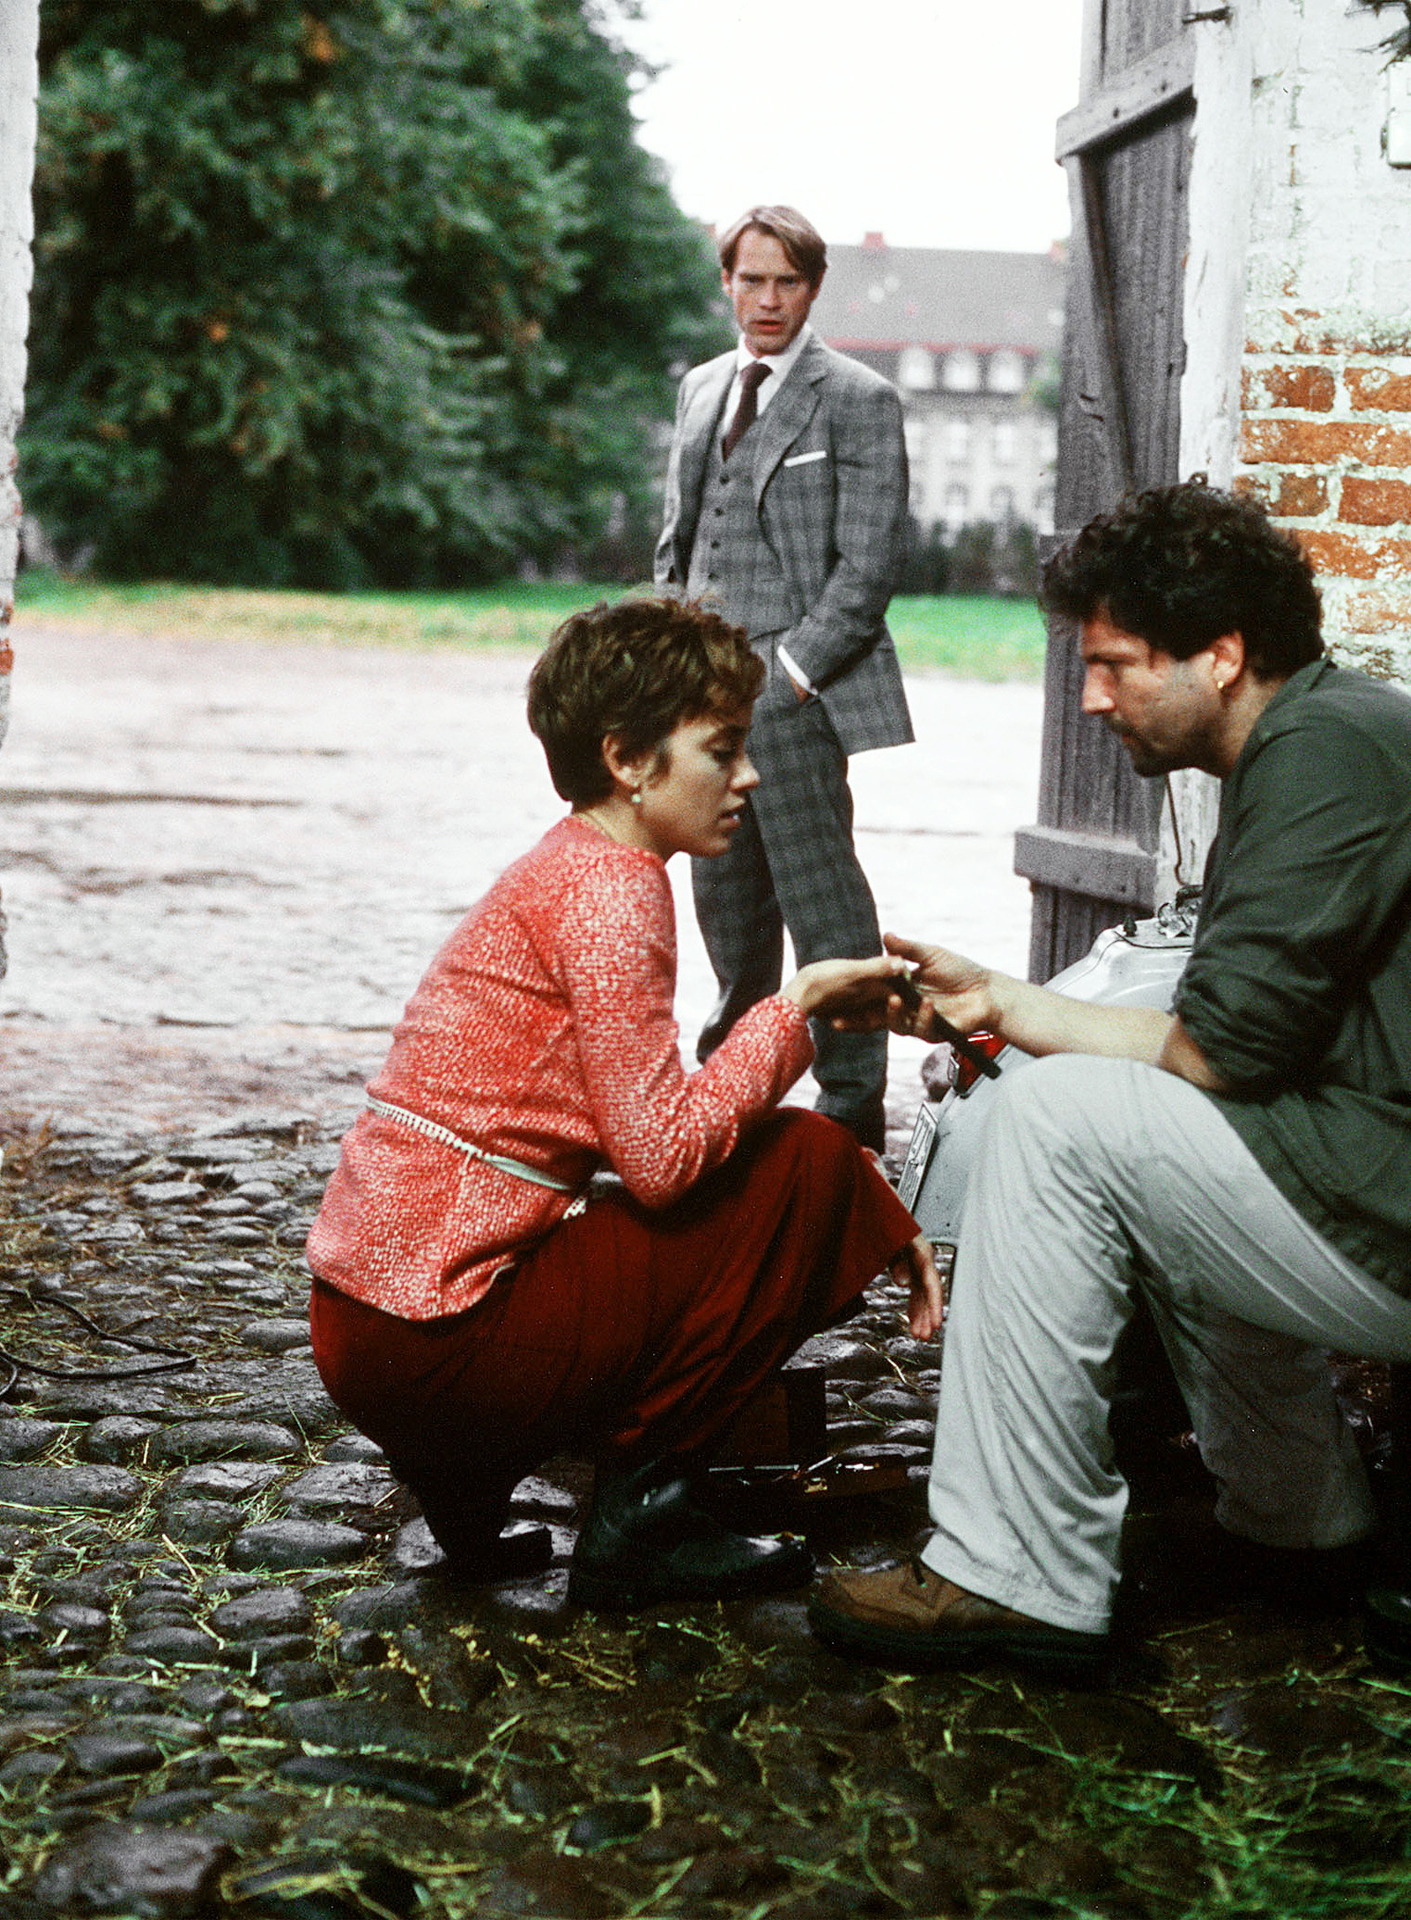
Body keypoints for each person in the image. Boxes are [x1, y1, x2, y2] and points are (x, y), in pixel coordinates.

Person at [809, 480, 1411, 1679]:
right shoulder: (1318, 734)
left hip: (1389, 1191)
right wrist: (998, 1001)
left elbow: (1221, 1051)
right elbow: (1235, 1049)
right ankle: (1297, 1525)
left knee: (1055, 1122)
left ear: (1223, 656)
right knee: (1156, 1136)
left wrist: (1016, 1018)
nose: (1091, 697)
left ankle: (1013, 1571)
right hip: (1371, 1159)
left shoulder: (1324, 751)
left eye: (1117, 664)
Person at [306, 595, 942, 1614]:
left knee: (800, 1160)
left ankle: (465, 1489)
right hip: (438, 1341)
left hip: (364, 1328)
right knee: (806, 1159)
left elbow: (620, 1126)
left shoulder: (566, 865)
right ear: (630, 761)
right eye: (722, 749)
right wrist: (795, 1007)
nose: (750, 777)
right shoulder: (614, 892)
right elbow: (660, 1161)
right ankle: (643, 1518)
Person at [655, 205, 912, 1153]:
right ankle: (733, 1086)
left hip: (795, 687)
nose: (767, 300)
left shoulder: (855, 398)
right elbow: (678, 541)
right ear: (726, 281)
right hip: (700, 696)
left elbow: (872, 561)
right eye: (750, 279)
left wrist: (795, 672)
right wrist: (670, 665)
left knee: (821, 897)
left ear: (812, 289)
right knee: (725, 901)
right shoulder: (700, 388)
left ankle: (850, 1109)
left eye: (787, 283)